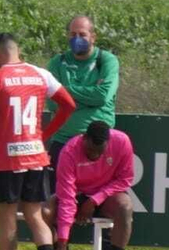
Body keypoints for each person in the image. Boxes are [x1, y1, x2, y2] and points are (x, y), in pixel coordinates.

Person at [0, 32, 77, 250]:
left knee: (7, 216)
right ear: (17, 50)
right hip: (36, 156)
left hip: (9, 157)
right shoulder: (40, 73)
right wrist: (45, 134)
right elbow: (68, 105)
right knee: (34, 214)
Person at [53, 120, 135, 250]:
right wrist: (62, 240)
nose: (95, 155)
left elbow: (125, 179)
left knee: (125, 207)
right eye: (91, 150)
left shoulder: (122, 141)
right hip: (77, 194)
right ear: (84, 138)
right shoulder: (69, 151)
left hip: (105, 196)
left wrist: (95, 199)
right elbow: (67, 198)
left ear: (108, 143)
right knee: (48, 209)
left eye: (100, 151)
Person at [46, 14, 119, 172]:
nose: (77, 38)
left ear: (93, 37)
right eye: (73, 34)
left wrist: (65, 90)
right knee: (58, 195)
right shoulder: (57, 63)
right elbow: (52, 103)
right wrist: (89, 98)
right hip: (63, 141)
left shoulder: (107, 60)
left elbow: (102, 96)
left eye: (82, 34)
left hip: (98, 143)